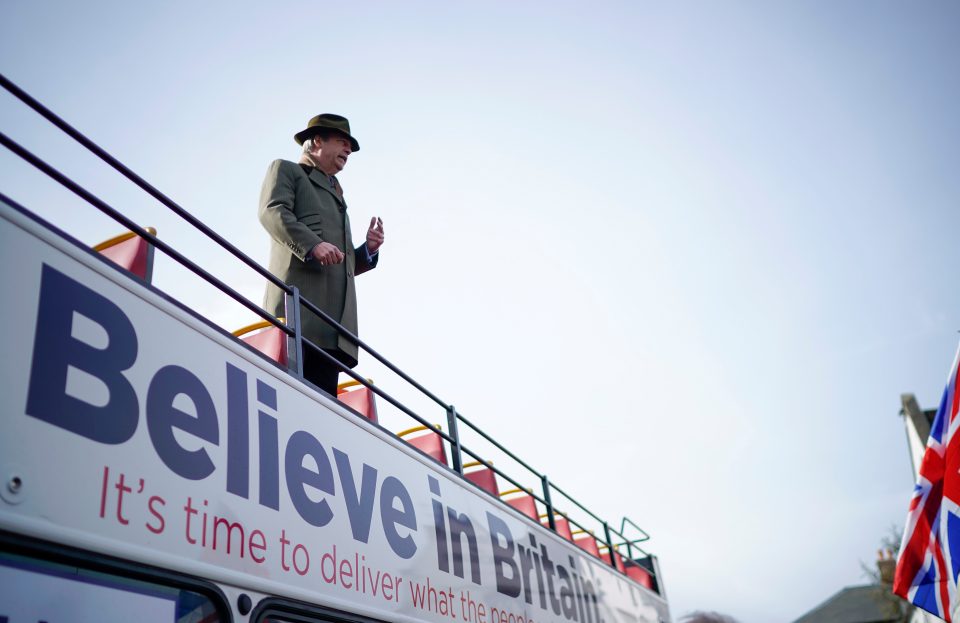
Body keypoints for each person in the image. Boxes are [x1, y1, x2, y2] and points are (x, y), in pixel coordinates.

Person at [259, 113, 384, 396]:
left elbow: (341, 261)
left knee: (317, 409)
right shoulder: (287, 171)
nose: (348, 150)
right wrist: (312, 244)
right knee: (284, 397)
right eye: (342, 142)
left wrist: (368, 250)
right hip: (297, 315)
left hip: (332, 330)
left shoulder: (337, 194)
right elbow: (272, 211)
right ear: (317, 141)